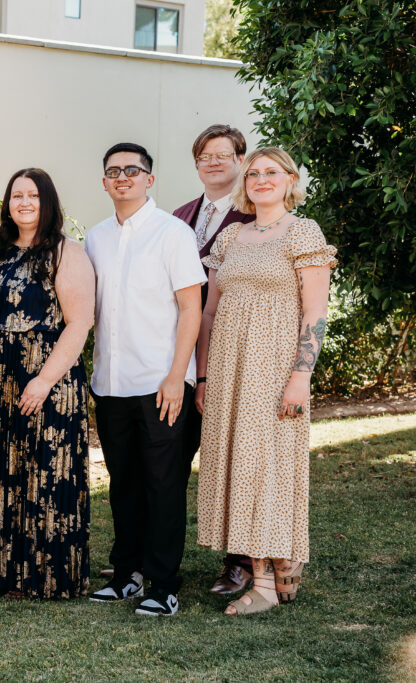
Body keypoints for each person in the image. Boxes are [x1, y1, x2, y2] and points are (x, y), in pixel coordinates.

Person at [195, 147, 335, 616]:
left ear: (290, 179)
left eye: (270, 172)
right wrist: (204, 375)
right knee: (239, 469)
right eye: (253, 173)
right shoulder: (231, 237)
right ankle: (271, 572)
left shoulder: (303, 231)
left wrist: (301, 376)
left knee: (268, 469)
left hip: (275, 371)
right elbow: (209, 313)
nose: (260, 179)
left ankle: (272, 582)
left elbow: (315, 312)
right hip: (228, 374)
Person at [0, 168, 96, 599]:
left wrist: (43, 380)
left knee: (44, 471)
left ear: (48, 202)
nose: (23, 202)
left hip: (48, 374)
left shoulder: (65, 252)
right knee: (2, 469)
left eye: (33, 196)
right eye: (16, 195)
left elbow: (79, 324)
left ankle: (44, 575)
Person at [85, 143, 205, 617]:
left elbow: (191, 307)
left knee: (164, 484)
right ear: (104, 182)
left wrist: (178, 376)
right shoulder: (94, 238)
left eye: (132, 171)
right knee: (124, 483)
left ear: (149, 180)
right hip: (111, 384)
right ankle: (128, 573)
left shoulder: (173, 233)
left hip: (161, 382)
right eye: (113, 171)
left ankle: (163, 584)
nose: (122, 177)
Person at [172, 124, 256, 595]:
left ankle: (239, 561)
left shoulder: (253, 217)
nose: (214, 162)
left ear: (240, 160)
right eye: (205, 155)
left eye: (223, 154)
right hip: (185, 354)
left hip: (241, 352)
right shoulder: (180, 215)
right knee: (169, 458)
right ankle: (154, 555)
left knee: (236, 461)